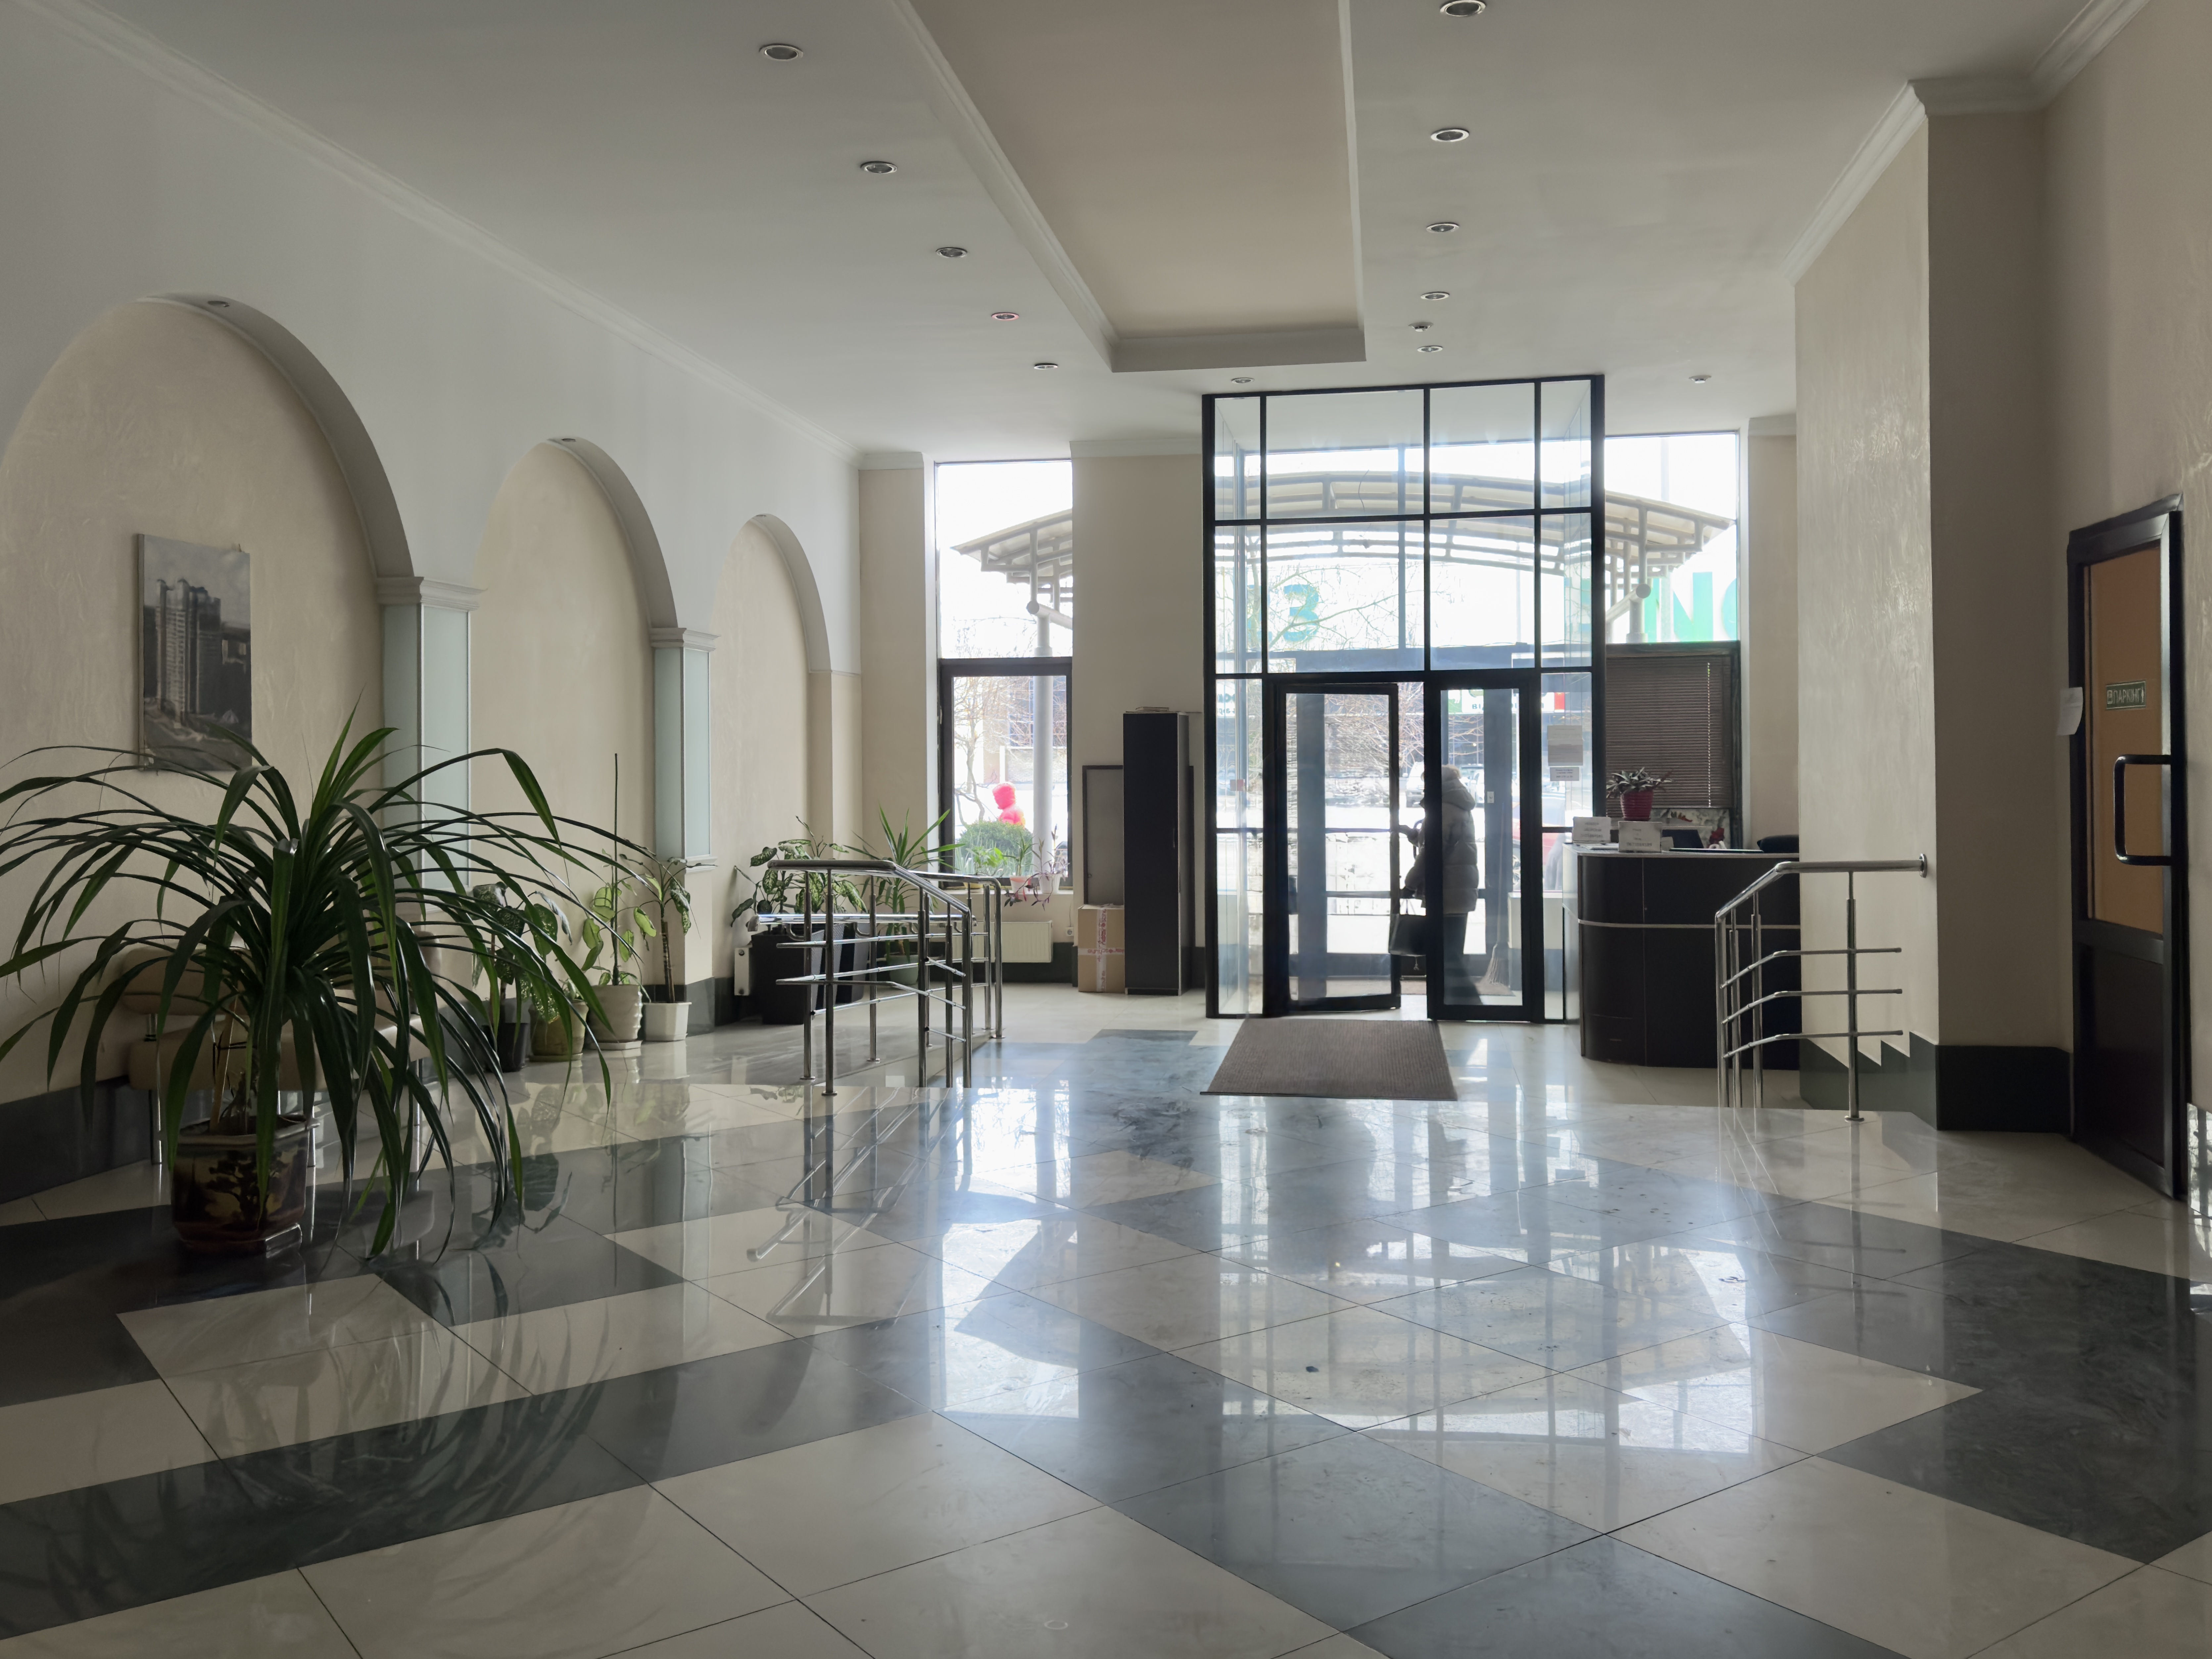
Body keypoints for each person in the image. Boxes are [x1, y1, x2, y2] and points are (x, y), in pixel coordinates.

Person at [1403, 764, 1482, 1002]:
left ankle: (1468, 1003)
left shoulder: (1444, 809)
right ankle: (1454, 1003)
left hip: (1447, 889)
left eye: (1427, 783)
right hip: (1459, 888)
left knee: (1448, 953)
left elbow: (1431, 854)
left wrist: (1410, 884)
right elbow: (1441, 843)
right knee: (1452, 950)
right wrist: (1412, 835)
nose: (1424, 789)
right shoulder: (1458, 806)